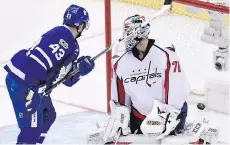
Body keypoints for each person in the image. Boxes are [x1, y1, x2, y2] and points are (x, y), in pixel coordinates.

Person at [4, 4, 95, 144]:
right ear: (81, 25)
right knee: (31, 130)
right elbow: (38, 62)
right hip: (27, 84)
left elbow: (63, 77)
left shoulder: (62, 36)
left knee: (48, 114)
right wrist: (35, 89)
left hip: (24, 80)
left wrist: (79, 70)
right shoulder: (68, 40)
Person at [103, 14, 190, 143]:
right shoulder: (120, 61)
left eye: (127, 32)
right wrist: (120, 116)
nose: (125, 36)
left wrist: (169, 114)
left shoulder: (165, 53)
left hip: (170, 116)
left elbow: (178, 87)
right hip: (139, 117)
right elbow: (120, 96)